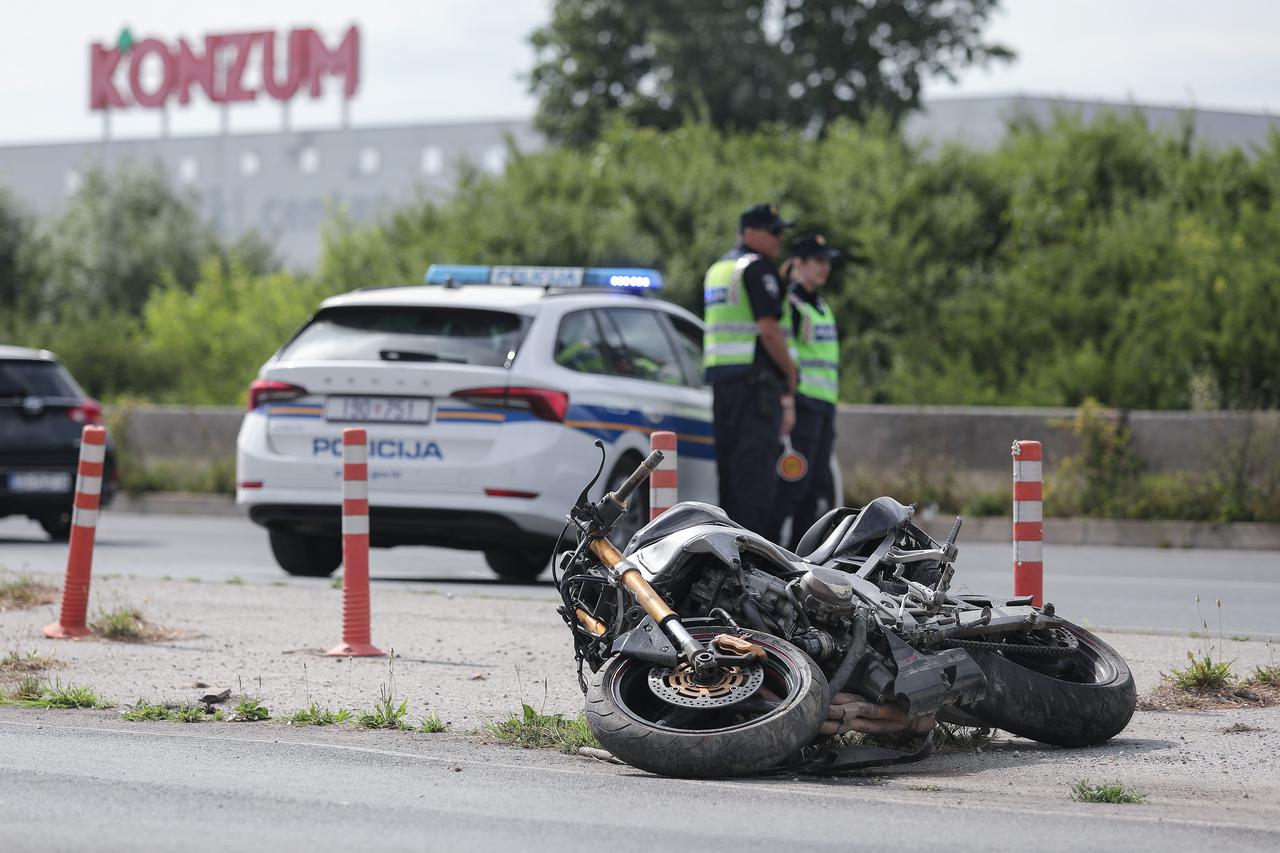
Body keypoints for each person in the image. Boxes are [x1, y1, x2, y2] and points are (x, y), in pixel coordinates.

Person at [703, 203, 798, 539]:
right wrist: (790, 373)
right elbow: (769, 330)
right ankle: (752, 559)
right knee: (755, 479)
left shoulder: (717, 269)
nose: (780, 239)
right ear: (749, 233)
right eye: (773, 232)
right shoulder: (757, 268)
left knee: (729, 477)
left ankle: (728, 549)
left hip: (722, 385)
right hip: (754, 388)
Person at [774, 233, 841, 551]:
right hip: (802, 405)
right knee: (793, 487)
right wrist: (788, 400)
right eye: (818, 261)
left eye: (827, 261)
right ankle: (775, 550)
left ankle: (801, 557)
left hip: (824, 405)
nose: (824, 268)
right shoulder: (793, 304)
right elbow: (788, 354)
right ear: (799, 264)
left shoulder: (820, 305)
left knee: (816, 488)